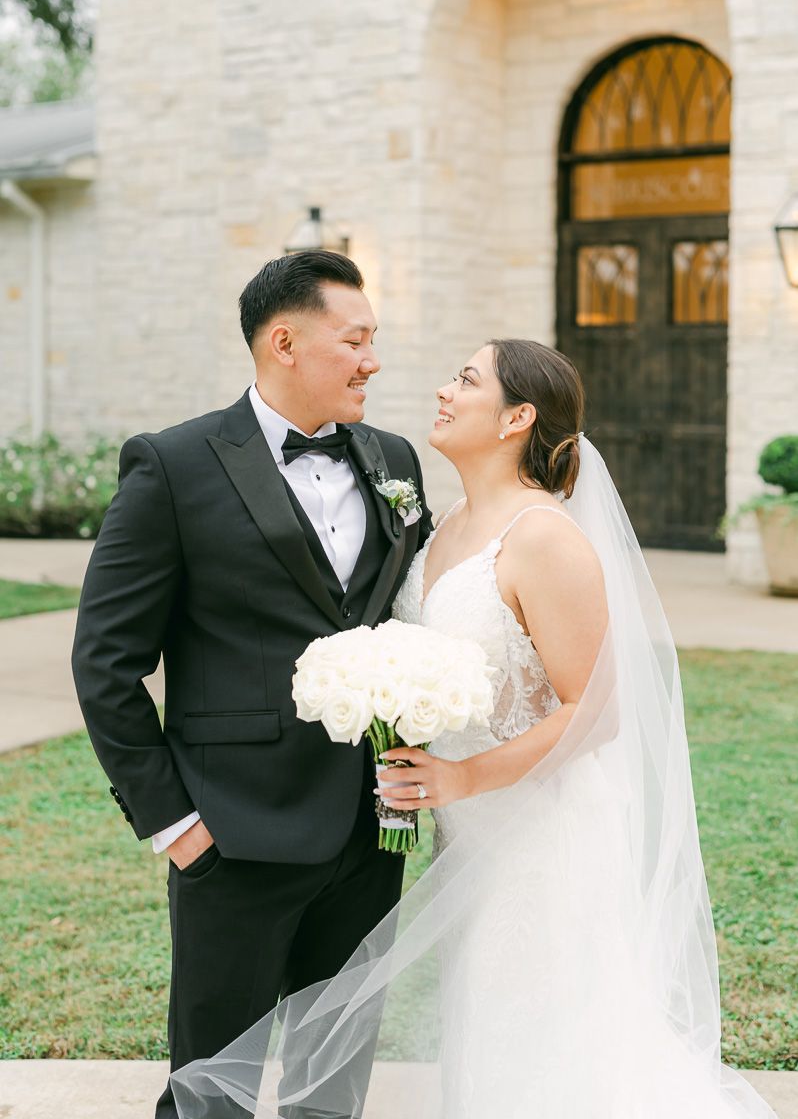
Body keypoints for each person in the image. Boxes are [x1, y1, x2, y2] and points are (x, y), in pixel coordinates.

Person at [171, 337, 777, 1119]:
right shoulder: (445, 523)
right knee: (488, 1031)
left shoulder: (544, 537)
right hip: (471, 839)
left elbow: (595, 711)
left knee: (545, 1036)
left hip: (541, 836)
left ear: (518, 416)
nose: (444, 390)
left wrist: (461, 777)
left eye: (467, 379)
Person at [71, 250, 433, 1119]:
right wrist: (174, 823)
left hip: (369, 830)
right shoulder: (175, 464)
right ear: (283, 342)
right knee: (212, 1091)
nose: (372, 361)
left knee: (332, 1084)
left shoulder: (395, 460)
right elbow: (106, 660)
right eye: (355, 341)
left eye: (373, 341)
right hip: (231, 832)